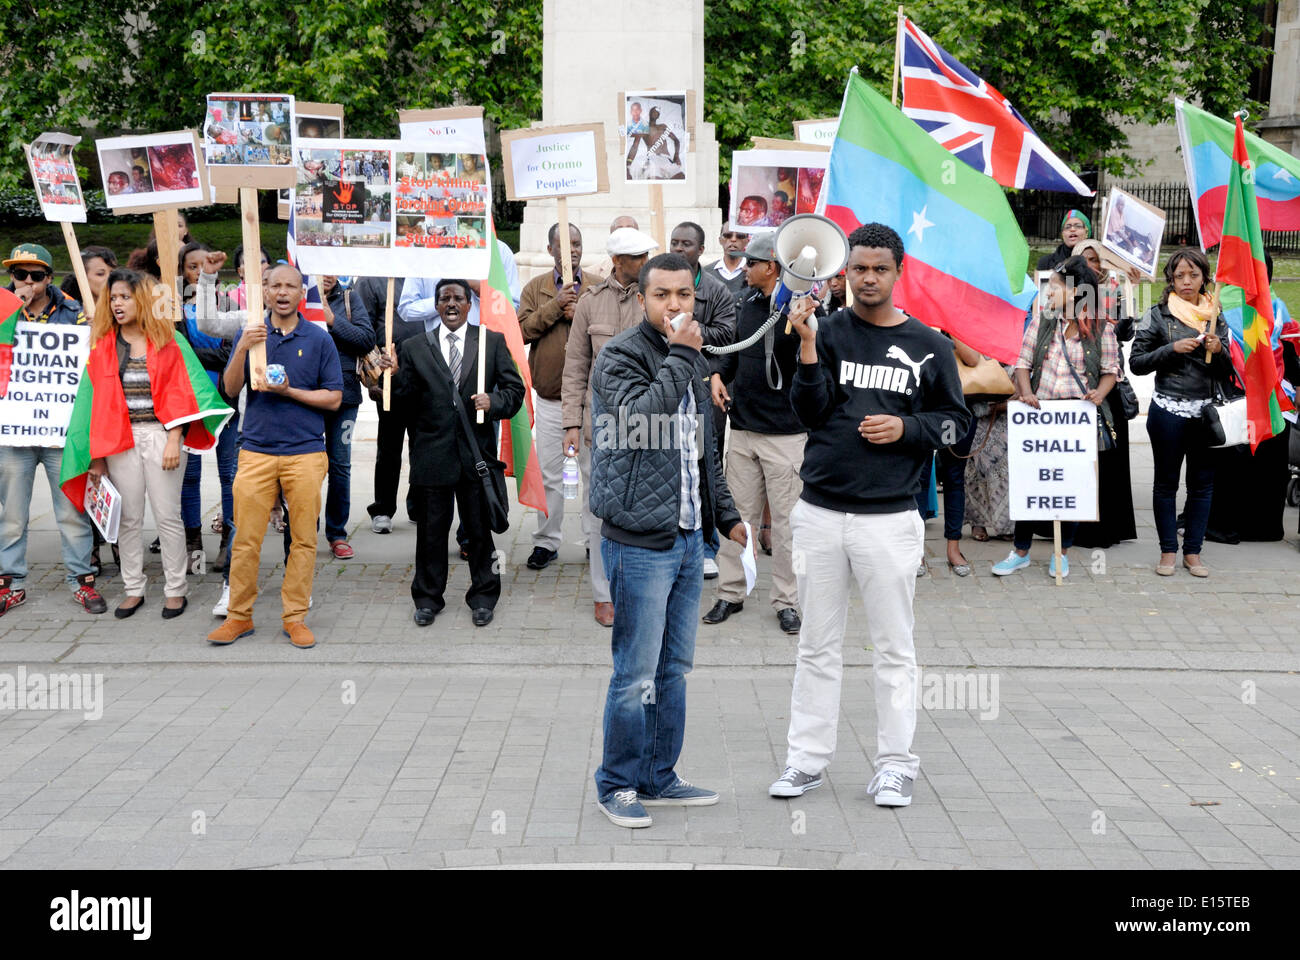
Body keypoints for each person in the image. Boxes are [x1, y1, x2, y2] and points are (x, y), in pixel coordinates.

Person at [768, 224, 968, 808]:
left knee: (893, 647)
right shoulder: (825, 332)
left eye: (880, 268)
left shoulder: (928, 344)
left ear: (897, 271)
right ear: (845, 272)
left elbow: (957, 425)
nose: (869, 278)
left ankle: (896, 765)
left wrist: (908, 428)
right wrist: (805, 348)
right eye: (859, 269)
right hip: (820, 513)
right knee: (816, 645)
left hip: (890, 519)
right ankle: (805, 761)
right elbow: (807, 413)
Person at [589, 252, 745, 828]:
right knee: (634, 672)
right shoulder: (620, 357)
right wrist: (683, 355)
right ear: (643, 299)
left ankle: (659, 775)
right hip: (637, 540)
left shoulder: (696, 359)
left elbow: (700, 449)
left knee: (674, 668)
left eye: (685, 295)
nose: (676, 306)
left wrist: (725, 515)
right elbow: (637, 424)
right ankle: (617, 784)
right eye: (663, 296)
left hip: (686, 540)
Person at [72, 269, 232, 620]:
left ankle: (176, 590)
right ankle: (133, 589)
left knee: (168, 517)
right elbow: (93, 406)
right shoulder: (102, 346)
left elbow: (183, 393)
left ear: (142, 300)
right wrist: (96, 458)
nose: (117, 303)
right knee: (128, 519)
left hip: (162, 437)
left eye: (125, 297)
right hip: (119, 441)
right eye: (113, 297)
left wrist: (175, 438)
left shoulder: (168, 341)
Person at [206, 263, 343, 649]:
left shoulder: (319, 339)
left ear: (302, 294)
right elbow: (230, 391)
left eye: (290, 286)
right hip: (255, 451)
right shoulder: (251, 334)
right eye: (274, 285)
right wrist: (244, 347)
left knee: (303, 540)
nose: (282, 292)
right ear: (264, 291)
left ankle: (295, 617)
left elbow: (333, 398)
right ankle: (239, 617)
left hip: (305, 453)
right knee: (245, 538)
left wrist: (290, 392)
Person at [389, 280, 523, 627]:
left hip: (474, 454)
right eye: (444, 298)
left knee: (479, 533)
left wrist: (494, 402)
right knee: (431, 532)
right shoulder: (415, 346)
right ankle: (428, 598)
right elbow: (401, 400)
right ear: (435, 305)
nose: (451, 303)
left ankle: (483, 596)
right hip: (431, 455)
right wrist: (385, 378)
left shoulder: (490, 342)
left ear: (469, 305)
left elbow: (514, 390)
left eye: (458, 298)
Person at [703, 233, 808, 633]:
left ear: (772, 268)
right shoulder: (746, 303)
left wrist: (804, 320)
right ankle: (731, 592)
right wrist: (716, 374)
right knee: (737, 518)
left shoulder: (799, 310)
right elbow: (734, 351)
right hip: (744, 430)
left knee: (787, 526)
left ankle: (787, 600)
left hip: (784, 435)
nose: (743, 269)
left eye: (750, 263)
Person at [992, 256, 1120, 578]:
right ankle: (1020, 551)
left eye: (1056, 286)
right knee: (1031, 483)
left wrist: (1099, 395)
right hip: (1040, 418)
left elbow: (1110, 371)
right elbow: (1022, 363)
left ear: (1076, 291)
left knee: (1072, 486)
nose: (1049, 292)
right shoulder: (1043, 319)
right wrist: (1025, 393)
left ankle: (1061, 554)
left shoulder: (1102, 325)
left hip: (1076, 422)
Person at [0, 244, 107, 617]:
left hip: (62, 433)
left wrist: (97, 334)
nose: (27, 282)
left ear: (49, 277)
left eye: (36, 275)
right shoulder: (2, 312)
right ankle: (11, 584)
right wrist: (11, 308)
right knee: (12, 515)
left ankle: (82, 580)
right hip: (15, 435)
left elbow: (93, 365)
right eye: (19, 274)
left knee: (71, 511)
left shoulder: (77, 315)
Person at [562, 227, 658, 627]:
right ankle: (604, 594)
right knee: (597, 512)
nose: (645, 262)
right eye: (638, 257)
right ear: (618, 262)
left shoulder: (654, 299)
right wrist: (570, 423)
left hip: (648, 423)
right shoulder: (590, 303)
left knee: (645, 506)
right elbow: (575, 367)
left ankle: (640, 589)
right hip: (597, 428)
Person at [1130, 247, 1236, 578]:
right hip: (1167, 411)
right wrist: (1170, 349)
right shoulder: (1157, 314)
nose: (1186, 282)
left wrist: (1218, 350)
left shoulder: (1217, 315)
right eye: (1179, 276)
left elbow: (1229, 370)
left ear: (1205, 277)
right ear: (1171, 280)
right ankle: (1167, 551)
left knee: (1202, 485)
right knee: (1165, 483)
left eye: (1193, 275)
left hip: (1206, 414)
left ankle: (1193, 551)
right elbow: (1136, 362)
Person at [518, 223, 601, 570]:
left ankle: (593, 541)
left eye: (578, 244)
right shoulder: (536, 288)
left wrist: (579, 308)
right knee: (552, 474)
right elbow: (521, 330)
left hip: (590, 401)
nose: (572, 251)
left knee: (591, 474)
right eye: (564, 246)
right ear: (550, 249)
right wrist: (555, 306)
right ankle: (547, 541)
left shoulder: (597, 288)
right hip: (551, 399)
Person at [1209, 250, 1297, 542]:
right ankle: (1264, 528)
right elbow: (1293, 361)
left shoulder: (1218, 309)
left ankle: (1229, 526)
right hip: (1268, 405)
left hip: (1245, 404)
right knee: (1262, 472)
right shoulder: (1277, 308)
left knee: (1239, 471)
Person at [668, 221, 739, 577]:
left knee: (704, 464)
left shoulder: (717, 291)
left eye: (687, 244)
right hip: (665, 388)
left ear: (701, 248)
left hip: (703, 387)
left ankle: (708, 542)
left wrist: (688, 329)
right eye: (674, 243)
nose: (679, 249)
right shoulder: (659, 286)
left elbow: (728, 333)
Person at [1070, 239, 1138, 548]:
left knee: (1107, 461)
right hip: (1072, 389)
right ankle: (1071, 527)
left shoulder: (1113, 293)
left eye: (1097, 260)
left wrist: (1132, 290)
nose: (1092, 266)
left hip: (1105, 389)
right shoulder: (1062, 293)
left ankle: (1107, 527)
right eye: (1086, 261)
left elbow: (1125, 331)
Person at [315, 274, 375, 558]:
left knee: (340, 465)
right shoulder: (300, 297)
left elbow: (366, 340)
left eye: (331, 269)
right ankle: (301, 527)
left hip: (346, 396)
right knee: (306, 465)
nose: (325, 275)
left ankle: (337, 533)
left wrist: (332, 320)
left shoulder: (350, 297)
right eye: (320, 268)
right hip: (307, 398)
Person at [353, 275, 415, 533]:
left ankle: (421, 504)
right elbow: (362, 330)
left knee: (426, 445)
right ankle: (383, 508)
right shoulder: (373, 278)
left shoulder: (426, 271)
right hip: (389, 376)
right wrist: (372, 376)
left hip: (426, 374)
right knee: (389, 446)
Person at [398, 236, 522, 321]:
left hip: (484, 348)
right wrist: (442, 301)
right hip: (436, 351)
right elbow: (406, 310)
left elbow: (512, 308)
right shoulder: (423, 252)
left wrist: (480, 289)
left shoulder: (499, 251)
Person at [706, 221, 749, 301]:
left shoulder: (754, 273)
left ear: (747, 241)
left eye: (739, 236)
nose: (733, 239)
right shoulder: (706, 273)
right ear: (720, 240)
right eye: (727, 235)